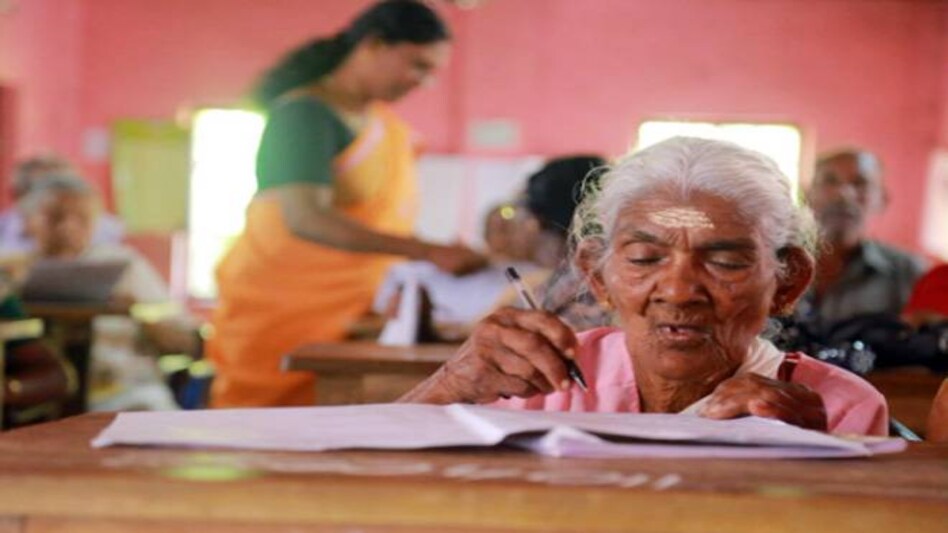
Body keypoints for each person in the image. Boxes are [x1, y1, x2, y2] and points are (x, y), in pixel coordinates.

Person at [399, 137, 888, 436]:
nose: (677, 291)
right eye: (644, 258)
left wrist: (815, 454)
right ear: (597, 275)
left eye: (723, 262)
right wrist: (449, 385)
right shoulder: (533, 377)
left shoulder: (838, 408)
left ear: (787, 282)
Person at [208, 0, 485, 407]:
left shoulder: (380, 125)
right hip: (283, 313)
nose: (422, 82)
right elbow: (307, 219)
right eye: (417, 65)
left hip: (354, 313)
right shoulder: (303, 116)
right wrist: (426, 251)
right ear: (373, 44)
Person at [17, 175, 194, 410]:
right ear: (29, 220)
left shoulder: (124, 265)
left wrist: (138, 314)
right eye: (55, 217)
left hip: (125, 392)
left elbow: (184, 340)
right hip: (39, 397)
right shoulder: (12, 269)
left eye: (81, 218)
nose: (68, 226)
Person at [794, 148, 926, 336]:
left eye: (860, 183)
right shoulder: (775, 263)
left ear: (882, 200)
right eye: (829, 181)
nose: (843, 194)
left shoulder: (908, 272)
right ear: (806, 195)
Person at [0, 154, 124, 254]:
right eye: (47, 190)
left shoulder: (109, 230)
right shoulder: (4, 230)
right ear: (19, 198)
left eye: (70, 187)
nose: (68, 226)